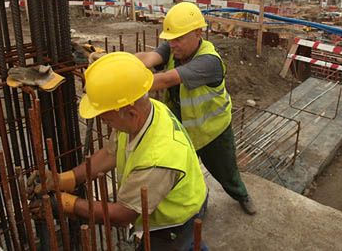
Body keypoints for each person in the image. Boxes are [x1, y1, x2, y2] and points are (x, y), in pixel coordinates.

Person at [29, 52, 208, 250]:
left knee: (181, 245)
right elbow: (110, 153)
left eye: (106, 117)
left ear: (131, 113)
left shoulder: (157, 159)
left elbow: (124, 215)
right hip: (176, 198)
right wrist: (66, 178)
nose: (102, 120)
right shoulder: (145, 111)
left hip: (175, 221)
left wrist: (67, 204)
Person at [135, 2, 256, 215]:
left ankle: (241, 195)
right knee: (186, 173)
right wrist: (119, 64)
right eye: (170, 39)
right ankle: (197, 202)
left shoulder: (209, 62)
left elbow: (165, 80)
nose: (173, 44)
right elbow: (147, 59)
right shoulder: (173, 47)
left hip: (213, 132)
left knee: (226, 171)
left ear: (198, 33)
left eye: (179, 38)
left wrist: (126, 84)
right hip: (182, 130)